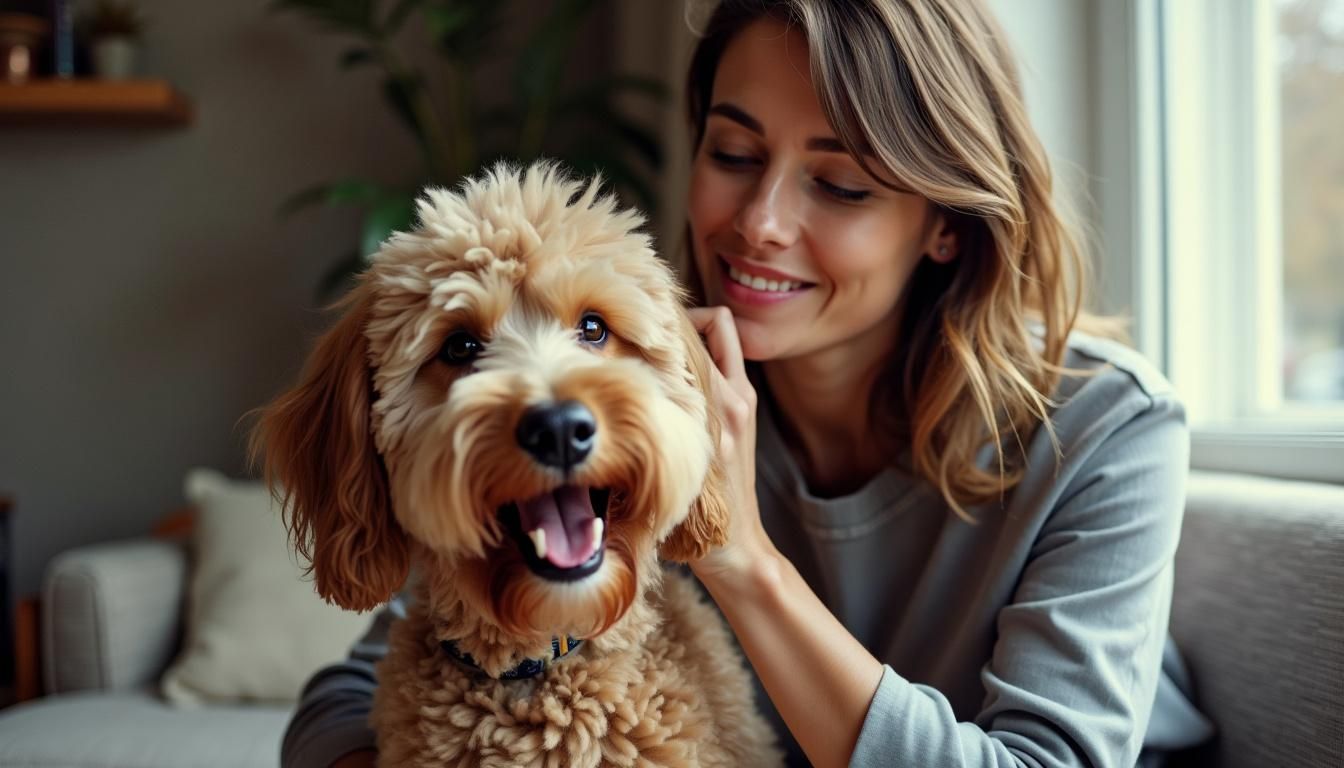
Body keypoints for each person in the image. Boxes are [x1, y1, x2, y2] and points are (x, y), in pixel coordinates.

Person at [281, 1, 1215, 766]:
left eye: (840, 183)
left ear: (947, 224)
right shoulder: (634, 385)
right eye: (733, 155)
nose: (760, 222)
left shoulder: (1105, 428)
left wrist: (740, 557)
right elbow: (351, 695)